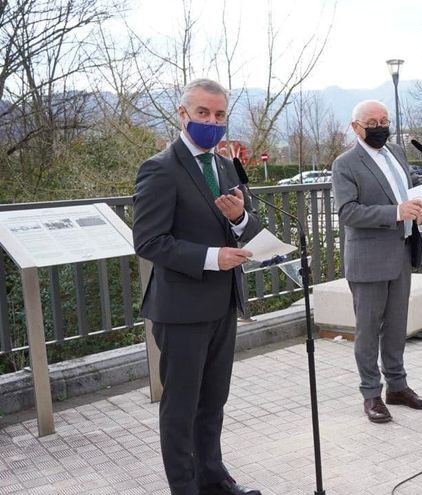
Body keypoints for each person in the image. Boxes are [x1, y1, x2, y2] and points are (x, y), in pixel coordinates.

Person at [133, 79, 263, 495]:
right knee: (181, 408)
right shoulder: (160, 168)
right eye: (203, 113)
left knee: (213, 402)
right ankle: (185, 488)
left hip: (224, 304)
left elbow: (250, 227)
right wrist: (212, 257)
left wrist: (240, 218)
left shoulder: (225, 166)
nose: (212, 121)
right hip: (181, 309)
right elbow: (149, 242)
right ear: (183, 114)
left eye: (220, 115)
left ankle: (214, 478)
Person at [331, 100, 422, 424]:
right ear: (356, 127)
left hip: (401, 252)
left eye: (384, 120)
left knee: (396, 326)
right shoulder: (345, 164)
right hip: (368, 259)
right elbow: (348, 212)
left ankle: (397, 387)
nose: (380, 127)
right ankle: (371, 394)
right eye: (372, 122)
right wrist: (396, 213)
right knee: (368, 331)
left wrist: (418, 211)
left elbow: (407, 196)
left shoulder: (397, 153)